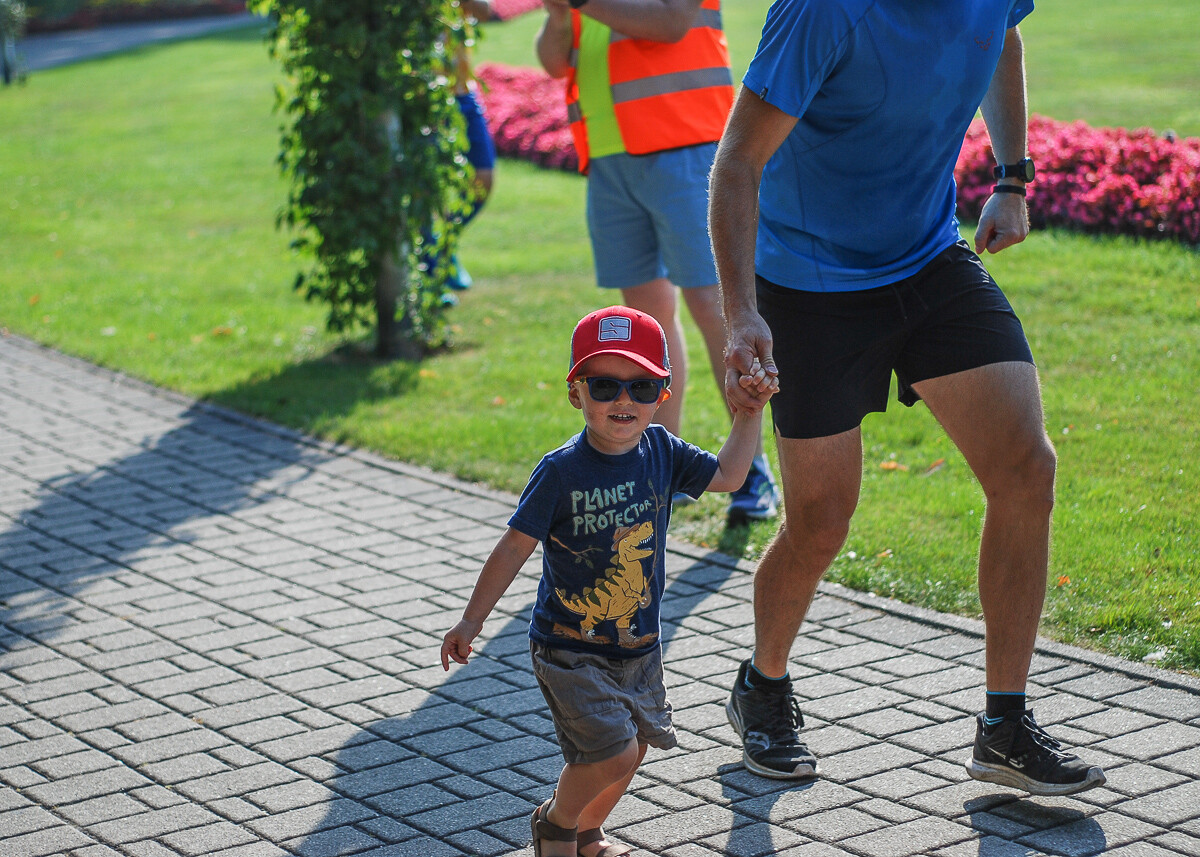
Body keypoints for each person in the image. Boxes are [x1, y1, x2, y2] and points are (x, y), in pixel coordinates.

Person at [708, 0, 1107, 796]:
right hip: (808, 281)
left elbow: (1003, 36)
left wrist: (1013, 175)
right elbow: (737, 163)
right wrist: (743, 312)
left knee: (1026, 467)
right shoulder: (823, 11)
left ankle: (1004, 724)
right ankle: (763, 682)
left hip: (926, 260)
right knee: (822, 521)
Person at [441, 305, 775, 857]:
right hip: (570, 647)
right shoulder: (560, 470)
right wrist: (472, 619)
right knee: (612, 752)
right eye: (605, 385)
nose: (624, 400)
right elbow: (515, 545)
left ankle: (589, 834)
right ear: (577, 393)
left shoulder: (662, 451)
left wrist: (748, 414)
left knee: (634, 747)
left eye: (642, 387)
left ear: (662, 394)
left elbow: (729, 476)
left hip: (638, 644)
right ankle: (555, 825)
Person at [535, 0, 780, 522]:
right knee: (646, 323)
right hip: (610, 157)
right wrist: (559, 17)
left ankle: (752, 470)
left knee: (716, 308)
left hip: (685, 146)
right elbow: (556, 60)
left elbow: (673, 22)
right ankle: (655, 468)